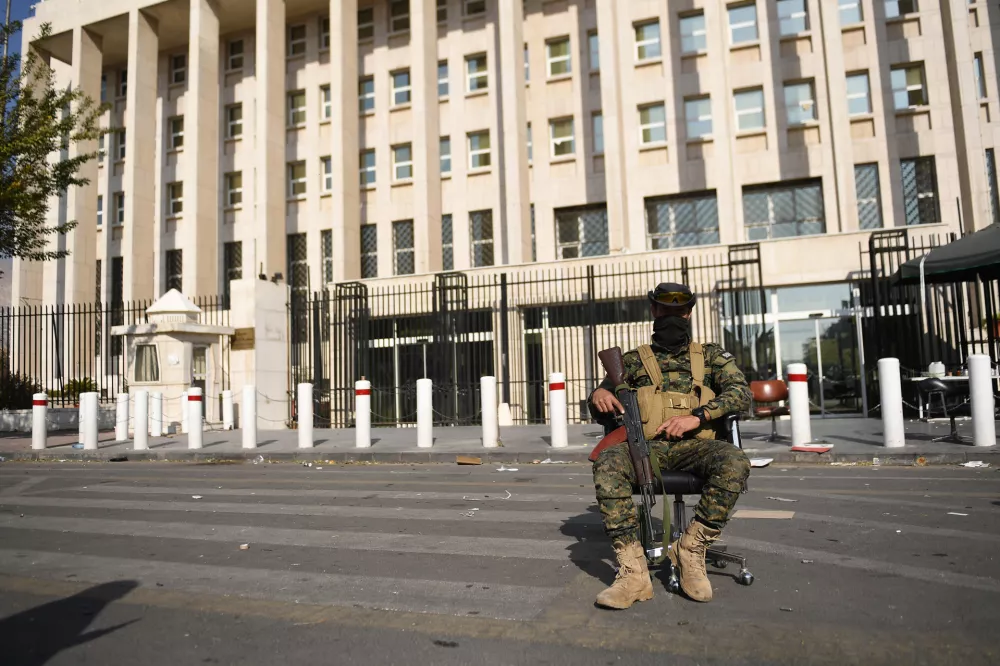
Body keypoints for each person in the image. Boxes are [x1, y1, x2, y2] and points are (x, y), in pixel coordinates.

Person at [589, 282, 751, 609]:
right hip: (648, 448)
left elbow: (741, 394)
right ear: (654, 311)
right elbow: (602, 397)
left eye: (679, 311)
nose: (672, 317)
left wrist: (699, 416)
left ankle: (691, 549)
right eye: (665, 311)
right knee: (606, 464)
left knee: (735, 462)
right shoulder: (633, 361)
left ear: (689, 313)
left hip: (696, 448)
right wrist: (599, 395)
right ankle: (634, 573)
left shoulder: (711, 356)